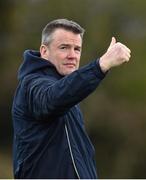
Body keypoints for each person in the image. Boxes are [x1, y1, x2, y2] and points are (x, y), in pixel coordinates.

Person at [12, 19, 131, 179]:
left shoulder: (66, 87)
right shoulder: (32, 84)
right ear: (44, 51)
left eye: (77, 49)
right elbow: (52, 99)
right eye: (64, 47)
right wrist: (101, 65)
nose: (72, 55)